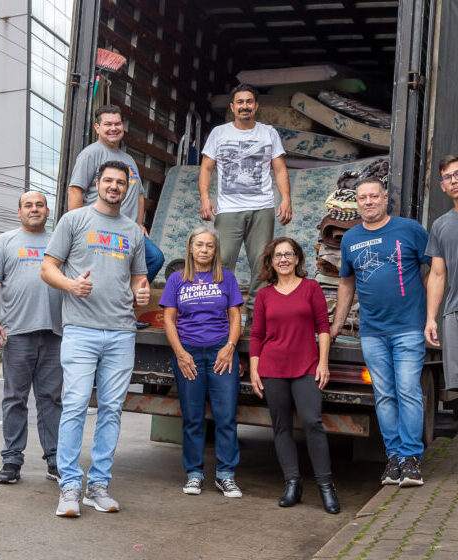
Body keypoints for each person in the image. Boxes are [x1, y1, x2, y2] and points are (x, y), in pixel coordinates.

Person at [41, 160, 150, 517]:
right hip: (81, 330)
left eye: (121, 182)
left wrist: (143, 292)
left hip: (120, 331)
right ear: (97, 184)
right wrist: (72, 284)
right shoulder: (73, 221)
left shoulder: (134, 231)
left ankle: (98, 486)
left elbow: (137, 279)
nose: (114, 187)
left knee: (111, 410)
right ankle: (70, 487)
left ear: (127, 188)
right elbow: (48, 268)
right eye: (108, 181)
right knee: (73, 407)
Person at [331, 177, 430, 487]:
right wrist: (336, 324)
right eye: (363, 198)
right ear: (357, 203)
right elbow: (346, 284)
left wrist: (433, 317)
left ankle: (411, 460)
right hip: (372, 332)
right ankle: (394, 459)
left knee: (408, 390)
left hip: (408, 328)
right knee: (384, 395)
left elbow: (434, 271)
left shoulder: (410, 230)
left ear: (385, 199)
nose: (369, 202)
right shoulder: (350, 239)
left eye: (374, 196)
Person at [250, 237, 340, 514]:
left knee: (312, 422)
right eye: (278, 255)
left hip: (306, 366)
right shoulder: (265, 295)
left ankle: (326, 486)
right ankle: (292, 483)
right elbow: (256, 335)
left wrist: (322, 363)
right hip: (272, 368)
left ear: (298, 259)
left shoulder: (311, 288)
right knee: (281, 426)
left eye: (289, 254)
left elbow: (323, 328)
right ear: (271, 261)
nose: (284, 259)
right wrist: (254, 369)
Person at [0, 191, 63, 484]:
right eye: (28, 205)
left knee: (51, 399)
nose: (34, 209)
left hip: (55, 333)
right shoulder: (6, 242)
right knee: (15, 398)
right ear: (19, 212)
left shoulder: (59, 241)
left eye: (39, 205)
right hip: (16, 333)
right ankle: (12, 460)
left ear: (47, 210)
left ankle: (55, 460)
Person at [199, 84, 292, 333]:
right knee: (222, 260)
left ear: (256, 106)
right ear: (232, 107)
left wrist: (286, 199)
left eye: (249, 102)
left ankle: (254, 316)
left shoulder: (268, 133)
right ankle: (218, 314)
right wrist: (205, 198)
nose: (245, 106)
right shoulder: (219, 133)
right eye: (240, 102)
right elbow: (206, 168)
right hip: (229, 209)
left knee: (263, 263)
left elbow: (280, 168)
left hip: (262, 207)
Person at [160, 225, 244, 498]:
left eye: (209, 245)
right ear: (190, 248)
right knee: (193, 418)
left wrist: (230, 347)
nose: (204, 250)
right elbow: (168, 320)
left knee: (226, 417)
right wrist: (181, 353)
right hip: (189, 355)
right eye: (200, 245)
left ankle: (226, 475)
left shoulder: (227, 279)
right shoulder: (176, 280)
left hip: (221, 353)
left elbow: (235, 317)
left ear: (215, 250)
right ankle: (194, 474)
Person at [67, 104, 164, 303]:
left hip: (128, 229)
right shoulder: (91, 153)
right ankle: (113, 305)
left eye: (117, 123)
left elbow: (139, 194)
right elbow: (75, 190)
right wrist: (77, 225)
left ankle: (125, 303)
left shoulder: (128, 159)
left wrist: (138, 223)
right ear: (97, 128)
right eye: (108, 124)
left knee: (155, 258)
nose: (114, 128)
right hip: (99, 227)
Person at [425, 155, 458, 390]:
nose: (454, 180)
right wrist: (430, 318)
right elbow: (437, 275)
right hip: (454, 313)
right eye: (448, 177)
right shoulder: (440, 225)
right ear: (442, 186)